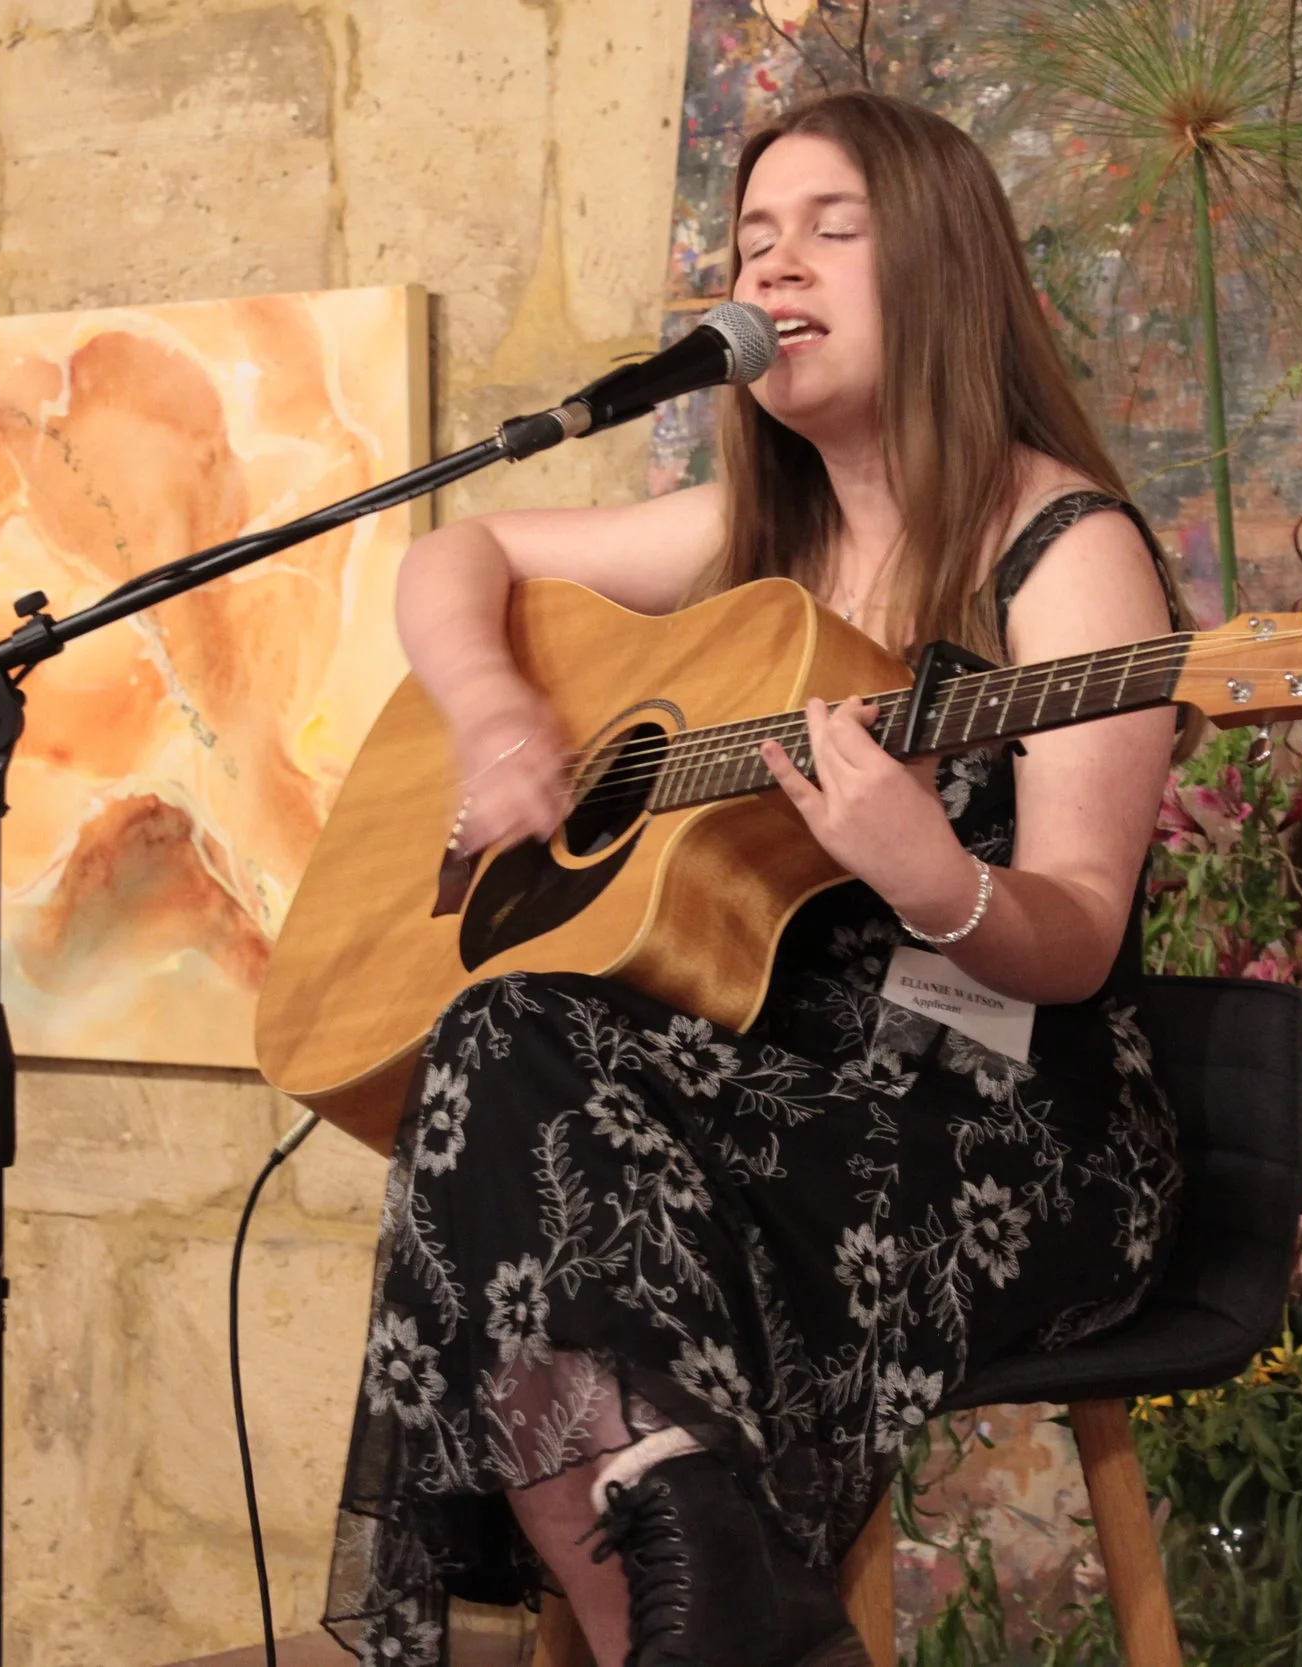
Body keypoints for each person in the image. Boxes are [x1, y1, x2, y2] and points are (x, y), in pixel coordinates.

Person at [324, 90, 1190, 1667]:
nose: (775, 268)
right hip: (771, 1086)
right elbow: (456, 556)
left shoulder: (1064, 546)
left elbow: (1076, 934)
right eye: (754, 239)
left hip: (1002, 1120)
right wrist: (500, 714)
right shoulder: (751, 539)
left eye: (832, 231)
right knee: (501, 1047)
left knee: (547, 1197)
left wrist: (936, 879)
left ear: (940, 270)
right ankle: (708, 1623)